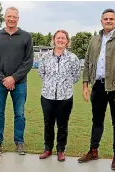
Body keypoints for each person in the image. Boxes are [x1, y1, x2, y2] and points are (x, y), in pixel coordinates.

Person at [77, 9, 115, 171]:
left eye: (111, 19)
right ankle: (93, 150)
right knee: (97, 120)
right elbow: (88, 63)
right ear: (101, 21)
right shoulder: (94, 40)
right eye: (105, 19)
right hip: (98, 87)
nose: (108, 21)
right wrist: (85, 84)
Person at [0, 7, 34, 155]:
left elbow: (28, 61)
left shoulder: (26, 37)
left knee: (19, 113)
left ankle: (19, 142)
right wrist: (3, 79)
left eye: (14, 17)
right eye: (9, 16)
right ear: (4, 17)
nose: (11, 19)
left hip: (20, 83)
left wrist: (14, 78)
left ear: (18, 18)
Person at [38, 30, 81, 162]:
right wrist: (51, 85)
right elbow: (41, 73)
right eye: (58, 38)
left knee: (63, 125)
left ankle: (61, 150)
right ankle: (48, 148)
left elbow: (76, 76)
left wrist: (64, 86)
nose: (60, 40)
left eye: (63, 38)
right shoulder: (45, 57)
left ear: (67, 41)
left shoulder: (73, 58)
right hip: (47, 96)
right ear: (54, 40)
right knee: (48, 124)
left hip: (65, 98)